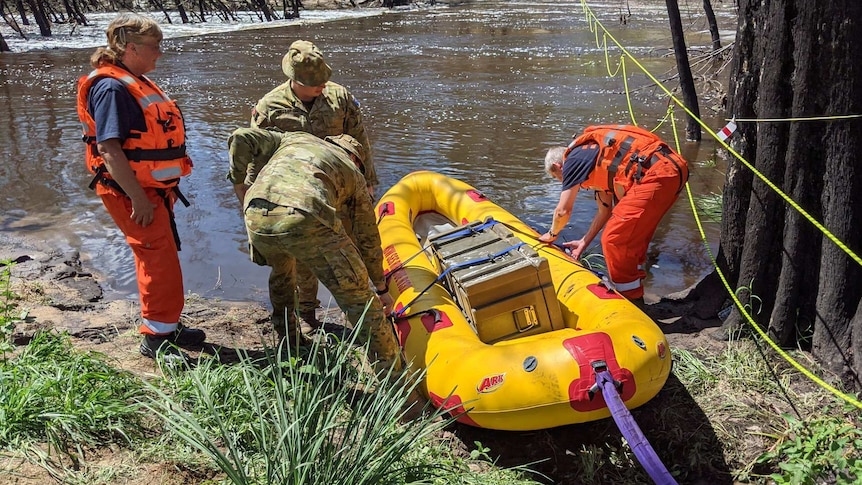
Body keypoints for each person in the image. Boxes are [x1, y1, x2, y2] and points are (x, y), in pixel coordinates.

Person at [76, 13, 205, 363]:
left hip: (150, 190)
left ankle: (167, 324)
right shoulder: (112, 87)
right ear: (130, 48)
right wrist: (137, 198)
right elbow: (108, 148)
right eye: (154, 46)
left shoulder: (132, 80)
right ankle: (155, 339)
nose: (159, 53)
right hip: (131, 193)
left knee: (162, 258)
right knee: (156, 262)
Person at [226, 127, 401, 370]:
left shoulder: (294, 137)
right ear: (355, 159)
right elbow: (367, 238)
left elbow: (241, 137)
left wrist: (238, 183)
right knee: (358, 296)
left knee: (282, 275)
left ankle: (290, 344)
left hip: (255, 213)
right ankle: (394, 378)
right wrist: (381, 288)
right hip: (304, 213)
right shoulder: (352, 172)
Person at [250, 39, 378, 328]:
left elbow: (360, 139)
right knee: (303, 262)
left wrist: (368, 181)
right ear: (294, 80)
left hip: (341, 188)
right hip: (297, 196)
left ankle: (361, 313)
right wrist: (251, 196)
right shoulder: (270, 107)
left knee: (353, 249)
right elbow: (256, 155)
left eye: (323, 80)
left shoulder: (339, 98)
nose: (321, 86)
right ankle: (306, 313)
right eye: (313, 83)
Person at [538, 124, 689, 303]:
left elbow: (563, 211)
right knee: (633, 239)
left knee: (614, 239)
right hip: (672, 169)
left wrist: (551, 235)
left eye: (558, 178)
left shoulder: (572, 160)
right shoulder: (592, 156)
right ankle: (637, 291)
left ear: (558, 167)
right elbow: (604, 210)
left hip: (656, 173)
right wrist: (583, 242)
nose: (561, 182)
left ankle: (631, 301)